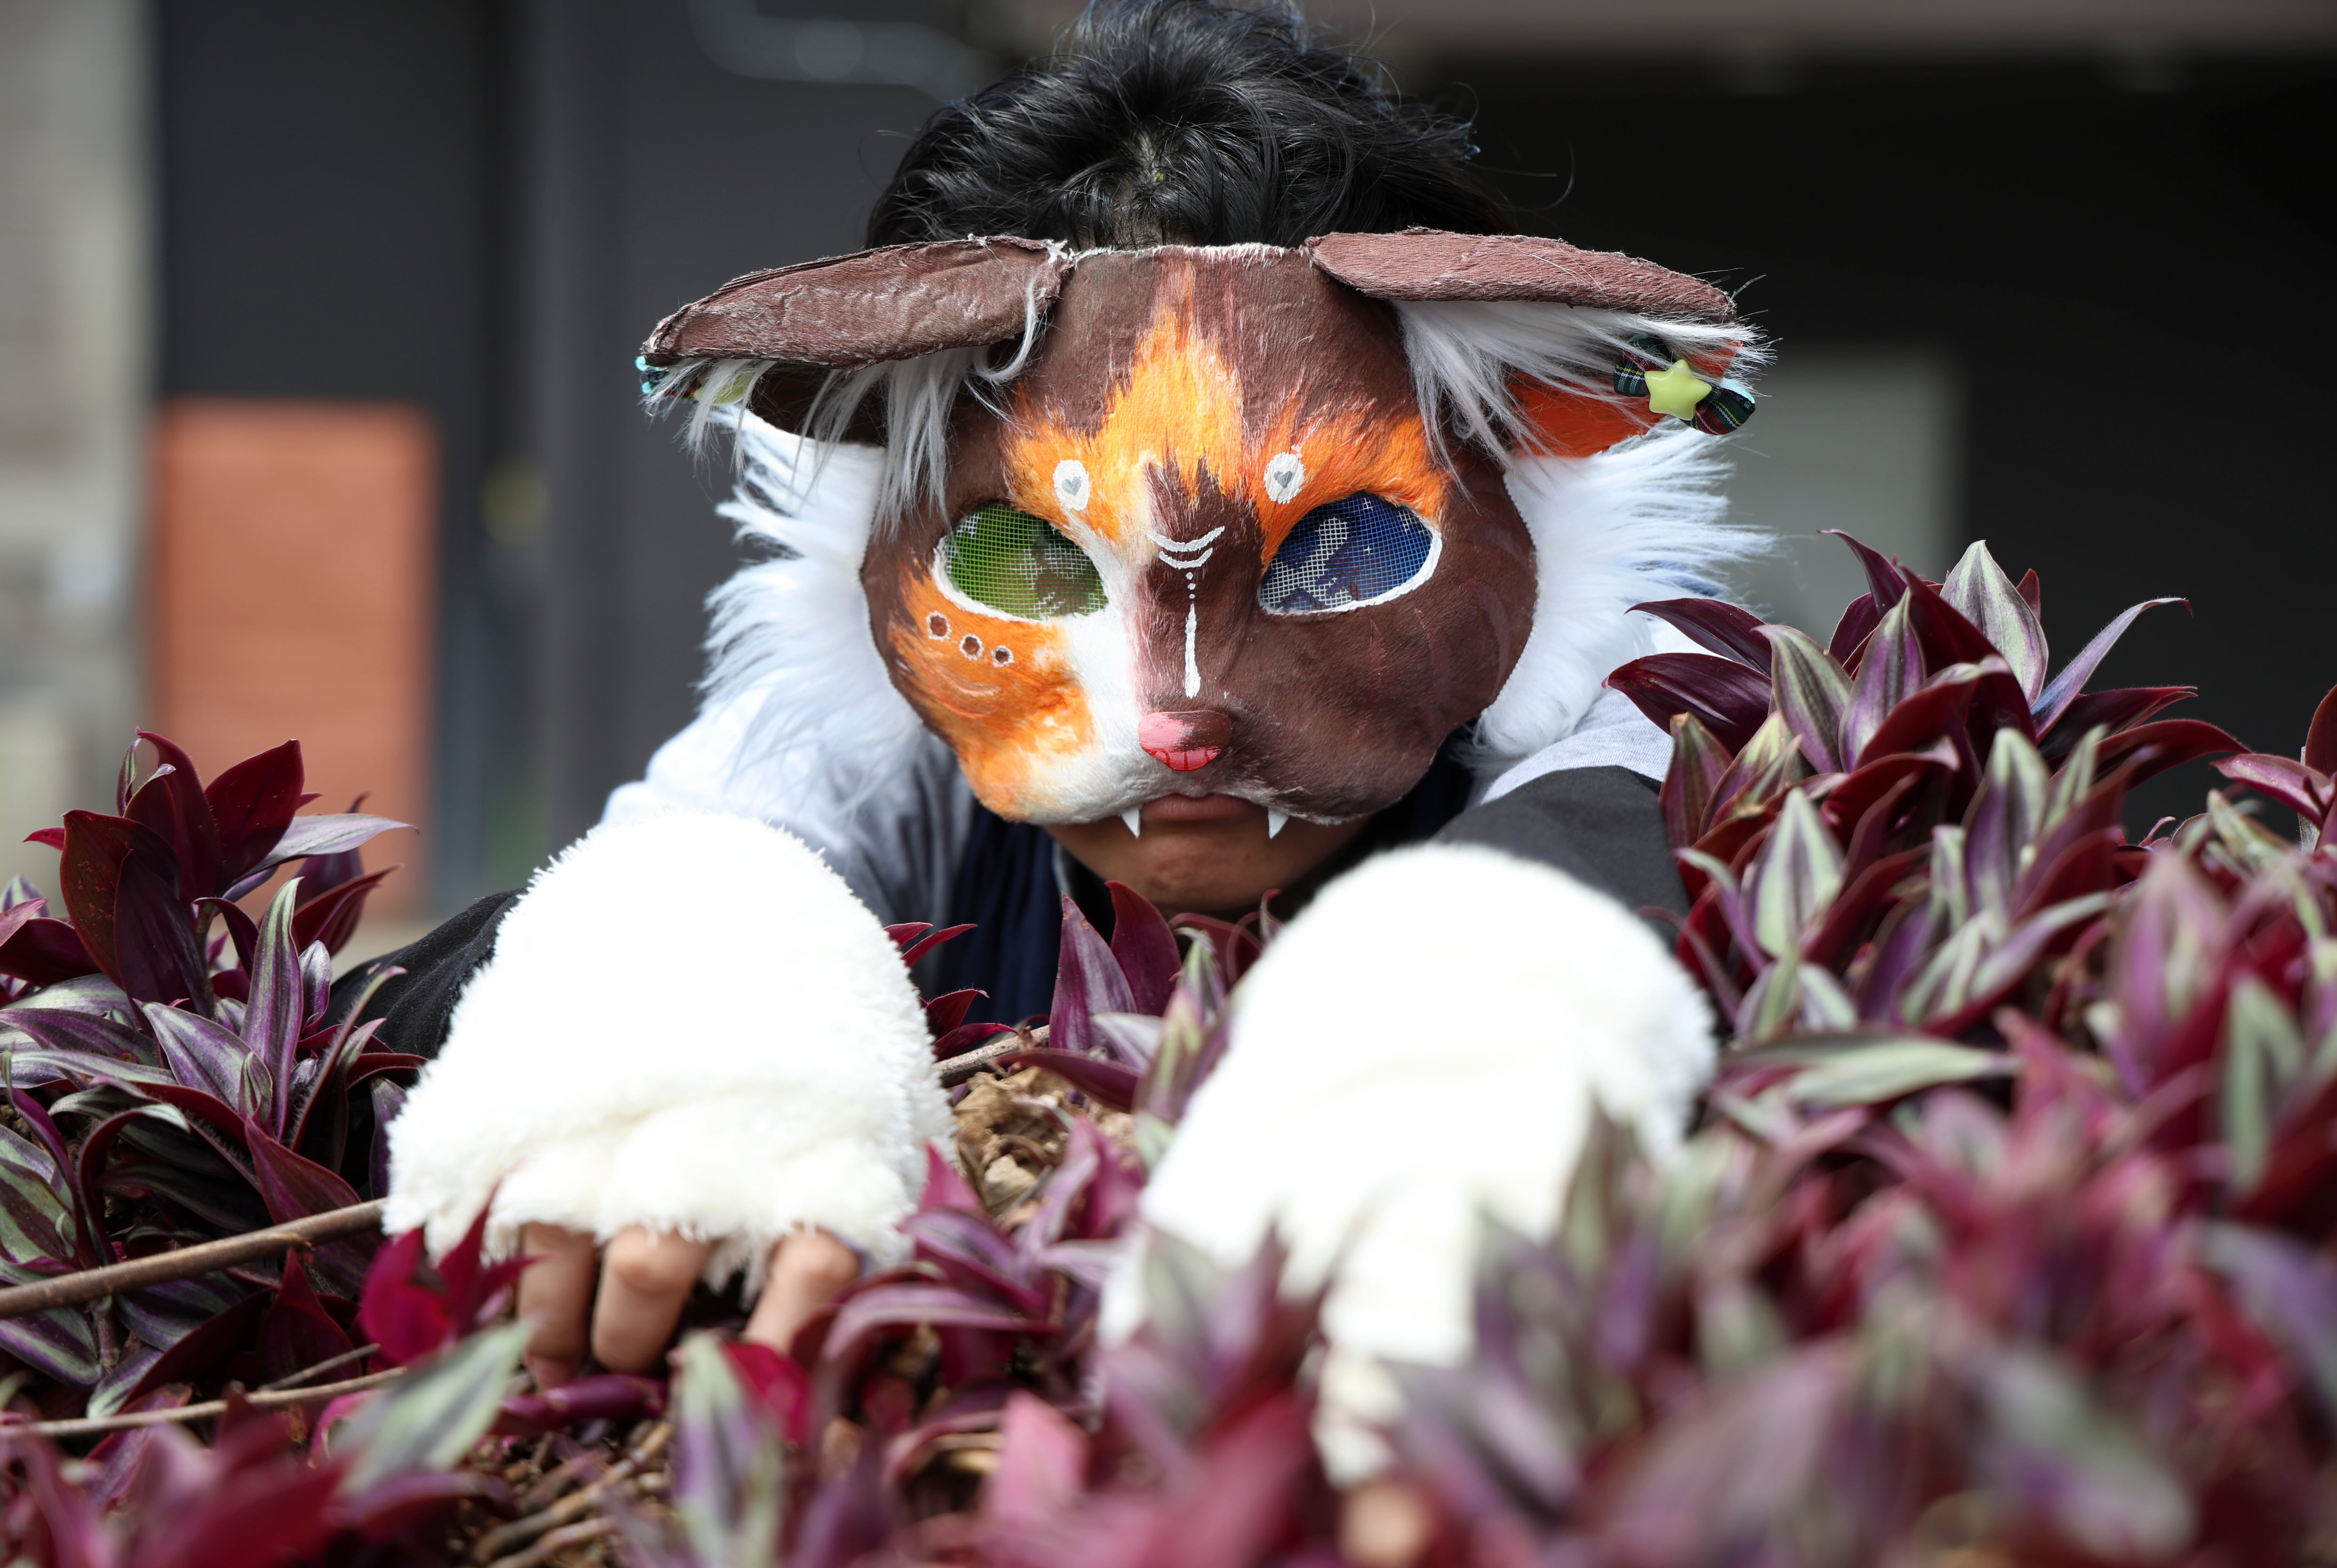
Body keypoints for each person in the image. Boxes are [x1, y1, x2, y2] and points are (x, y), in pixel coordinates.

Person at [366, 0, 1758, 1398]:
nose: (1182, 721)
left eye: (1343, 544)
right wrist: (680, 1027)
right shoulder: (857, 769)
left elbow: (1620, 860)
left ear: (1520, 509)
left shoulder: (1632, 738)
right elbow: (639, 887)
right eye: (1026, 555)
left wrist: (1486, 1050)